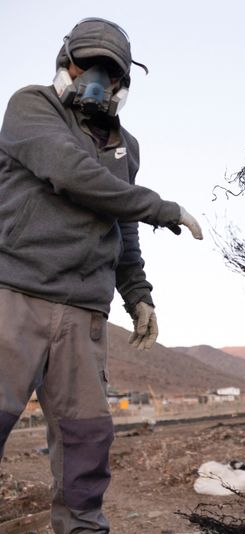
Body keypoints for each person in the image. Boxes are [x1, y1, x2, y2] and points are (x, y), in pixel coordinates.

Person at [0, 18, 202, 532]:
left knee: (86, 441)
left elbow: (122, 223)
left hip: (85, 312)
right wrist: (162, 206)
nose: (93, 77)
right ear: (64, 64)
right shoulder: (31, 107)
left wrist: (138, 294)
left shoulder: (126, 148)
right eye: (83, 64)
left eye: (107, 71)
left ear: (120, 84)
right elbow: (70, 173)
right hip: (15, 294)